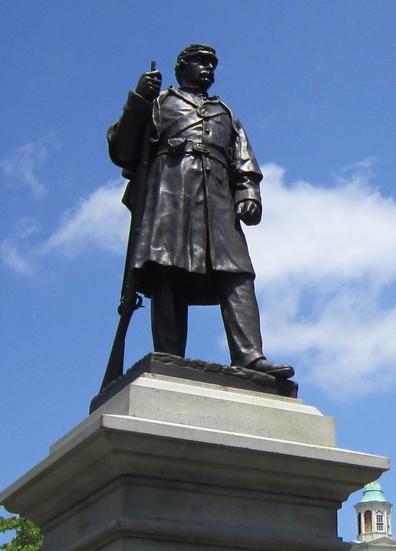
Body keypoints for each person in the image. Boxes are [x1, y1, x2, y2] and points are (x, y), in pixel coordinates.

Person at [107, 45, 294, 379]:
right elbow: (122, 149)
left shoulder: (225, 112)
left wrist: (248, 190)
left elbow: (243, 156)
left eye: (212, 64)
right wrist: (139, 100)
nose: (208, 69)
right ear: (182, 68)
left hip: (218, 197)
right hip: (171, 194)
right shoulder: (160, 103)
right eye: (200, 63)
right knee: (167, 269)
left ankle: (249, 355)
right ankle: (169, 355)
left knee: (238, 272)